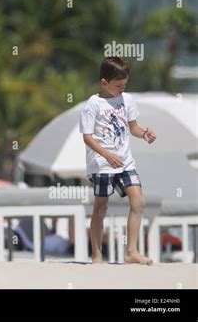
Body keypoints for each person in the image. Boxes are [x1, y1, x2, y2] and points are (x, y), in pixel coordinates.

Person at [80, 57, 156, 265]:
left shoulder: (127, 100)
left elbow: (133, 128)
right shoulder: (93, 104)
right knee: (100, 208)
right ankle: (96, 255)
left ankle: (131, 251)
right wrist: (107, 155)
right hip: (102, 163)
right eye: (118, 86)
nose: (122, 89)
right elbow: (87, 137)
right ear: (104, 83)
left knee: (138, 201)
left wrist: (145, 134)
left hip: (125, 162)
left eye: (125, 85)